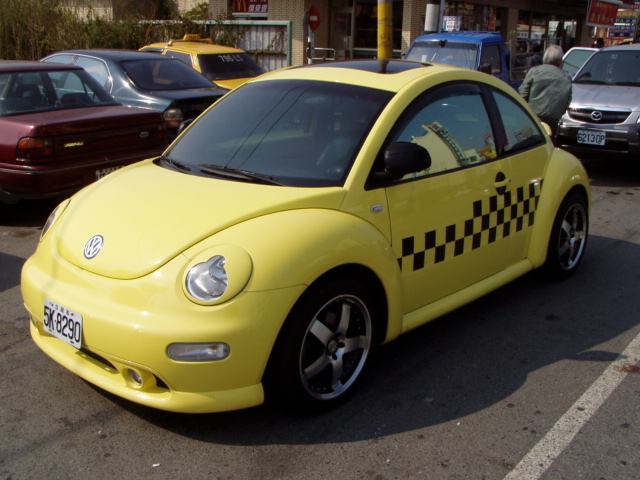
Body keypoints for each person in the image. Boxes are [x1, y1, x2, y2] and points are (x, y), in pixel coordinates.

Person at [519, 45, 572, 138]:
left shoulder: (534, 71)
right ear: (559, 60)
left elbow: (522, 94)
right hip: (553, 120)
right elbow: (567, 101)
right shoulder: (566, 77)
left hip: (533, 116)